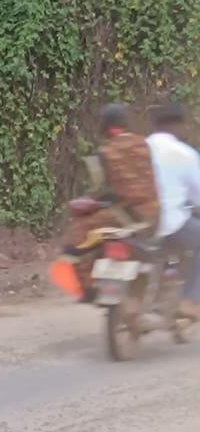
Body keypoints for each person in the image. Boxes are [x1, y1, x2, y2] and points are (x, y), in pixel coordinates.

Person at [62, 103, 162, 265]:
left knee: (76, 236)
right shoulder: (146, 145)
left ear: (106, 127)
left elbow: (97, 189)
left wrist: (91, 201)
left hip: (124, 217)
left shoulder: (105, 153)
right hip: (154, 215)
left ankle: (84, 285)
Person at [146, 101, 200, 319]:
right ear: (177, 125)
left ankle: (160, 294)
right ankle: (191, 300)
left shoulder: (140, 146)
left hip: (138, 223)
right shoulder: (184, 154)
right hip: (169, 224)